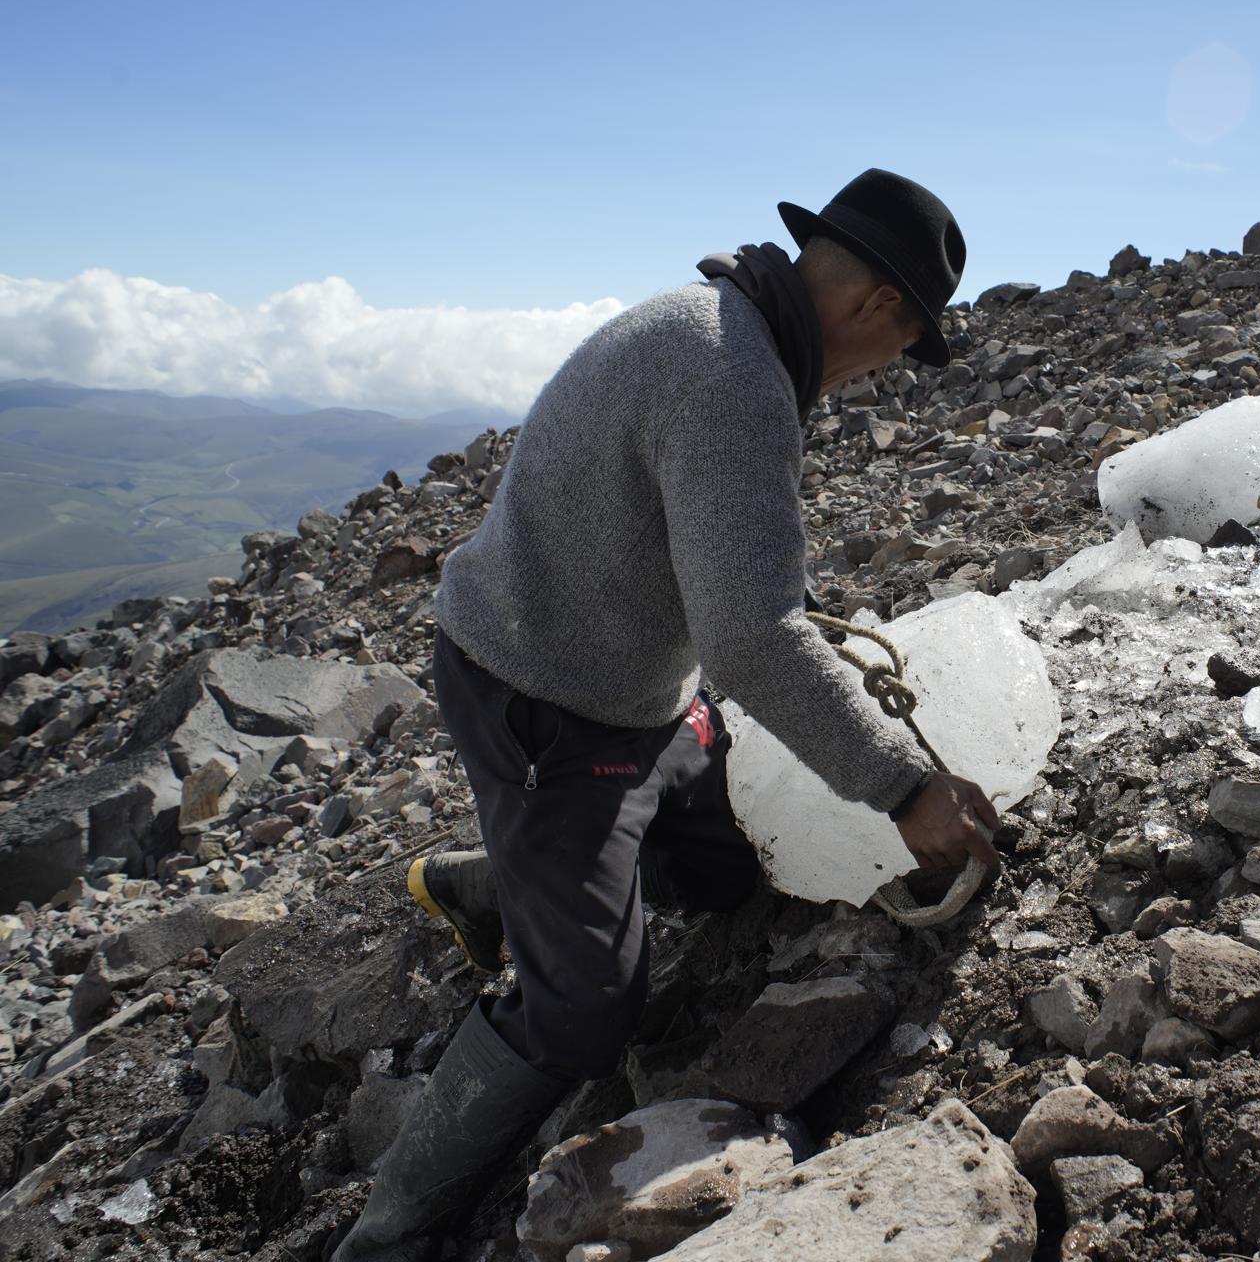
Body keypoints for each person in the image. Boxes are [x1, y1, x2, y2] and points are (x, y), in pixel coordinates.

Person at [327, 169, 1001, 1261]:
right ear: (880, 306)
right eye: (906, 343)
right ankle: (384, 1232)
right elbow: (752, 637)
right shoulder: (731, 376)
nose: (887, 372)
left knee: (727, 873)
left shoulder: (724, 330)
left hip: (635, 699)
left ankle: (499, 876)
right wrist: (906, 786)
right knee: (587, 1014)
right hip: (547, 709)